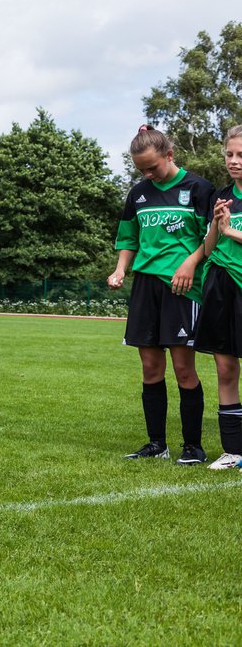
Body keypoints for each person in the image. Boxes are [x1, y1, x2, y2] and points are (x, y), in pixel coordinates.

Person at [108, 125, 212, 464]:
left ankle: (193, 446)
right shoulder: (138, 193)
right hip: (146, 287)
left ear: (170, 154)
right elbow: (128, 239)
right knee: (150, 366)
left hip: (183, 287)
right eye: (142, 170)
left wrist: (190, 264)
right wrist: (122, 268)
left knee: (183, 368)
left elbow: (212, 238)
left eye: (153, 167)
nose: (148, 174)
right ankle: (156, 444)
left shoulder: (198, 188)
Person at [187, 126, 242, 469]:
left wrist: (231, 230)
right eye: (230, 154)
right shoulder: (221, 196)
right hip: (220, 287)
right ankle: (234, 451)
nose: (234, 162)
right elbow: (211, 245)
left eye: (241, 156)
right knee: (225, 368)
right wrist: (212, 233)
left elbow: (228, 235)